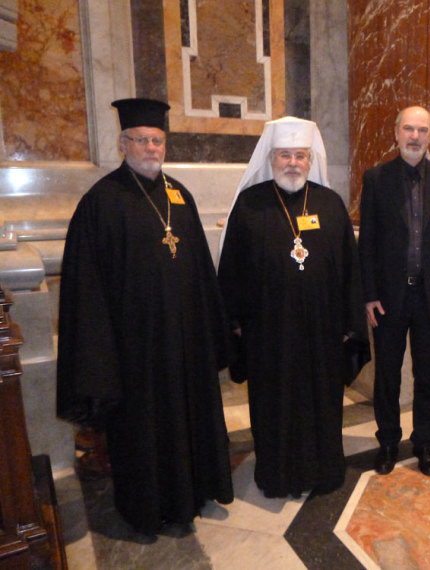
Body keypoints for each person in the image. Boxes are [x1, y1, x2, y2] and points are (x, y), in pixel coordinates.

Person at [57, 98, 234, 535]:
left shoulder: (179, 195)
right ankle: (146, 507)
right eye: (142, 140)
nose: (152, 148)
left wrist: (212, 331)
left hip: (185, 342)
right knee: (145, 429)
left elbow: (200, 271)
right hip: (135, 349)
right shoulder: (100, 202)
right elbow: (86, 290)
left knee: (188, 419)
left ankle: (192, 493)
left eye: (158, 140)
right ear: (123, 143)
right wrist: (101, 356)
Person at [217, 116, 367, 498]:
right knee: (274, 405)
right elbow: (232, 268)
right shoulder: (250, 205)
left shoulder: (330, 204)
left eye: (301, 155)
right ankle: (277, 475)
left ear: (310, 159)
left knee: (322, 403)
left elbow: (351, 269)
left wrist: (351, 324)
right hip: (269, 331)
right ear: (271, 158)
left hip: (322, 332)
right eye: (285, 155)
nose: (293, 163)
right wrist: (234, 322)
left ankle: (324, 472)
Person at [359, 106, 430, 476]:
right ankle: (388, 441)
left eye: (422, 130)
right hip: (388, 298)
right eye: (408, 129)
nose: (414, 136)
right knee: (387, 373)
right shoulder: (376, 179)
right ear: (396, 132)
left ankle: (423, 442)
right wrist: (369, 294)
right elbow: (367, 242)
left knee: (428, 374)